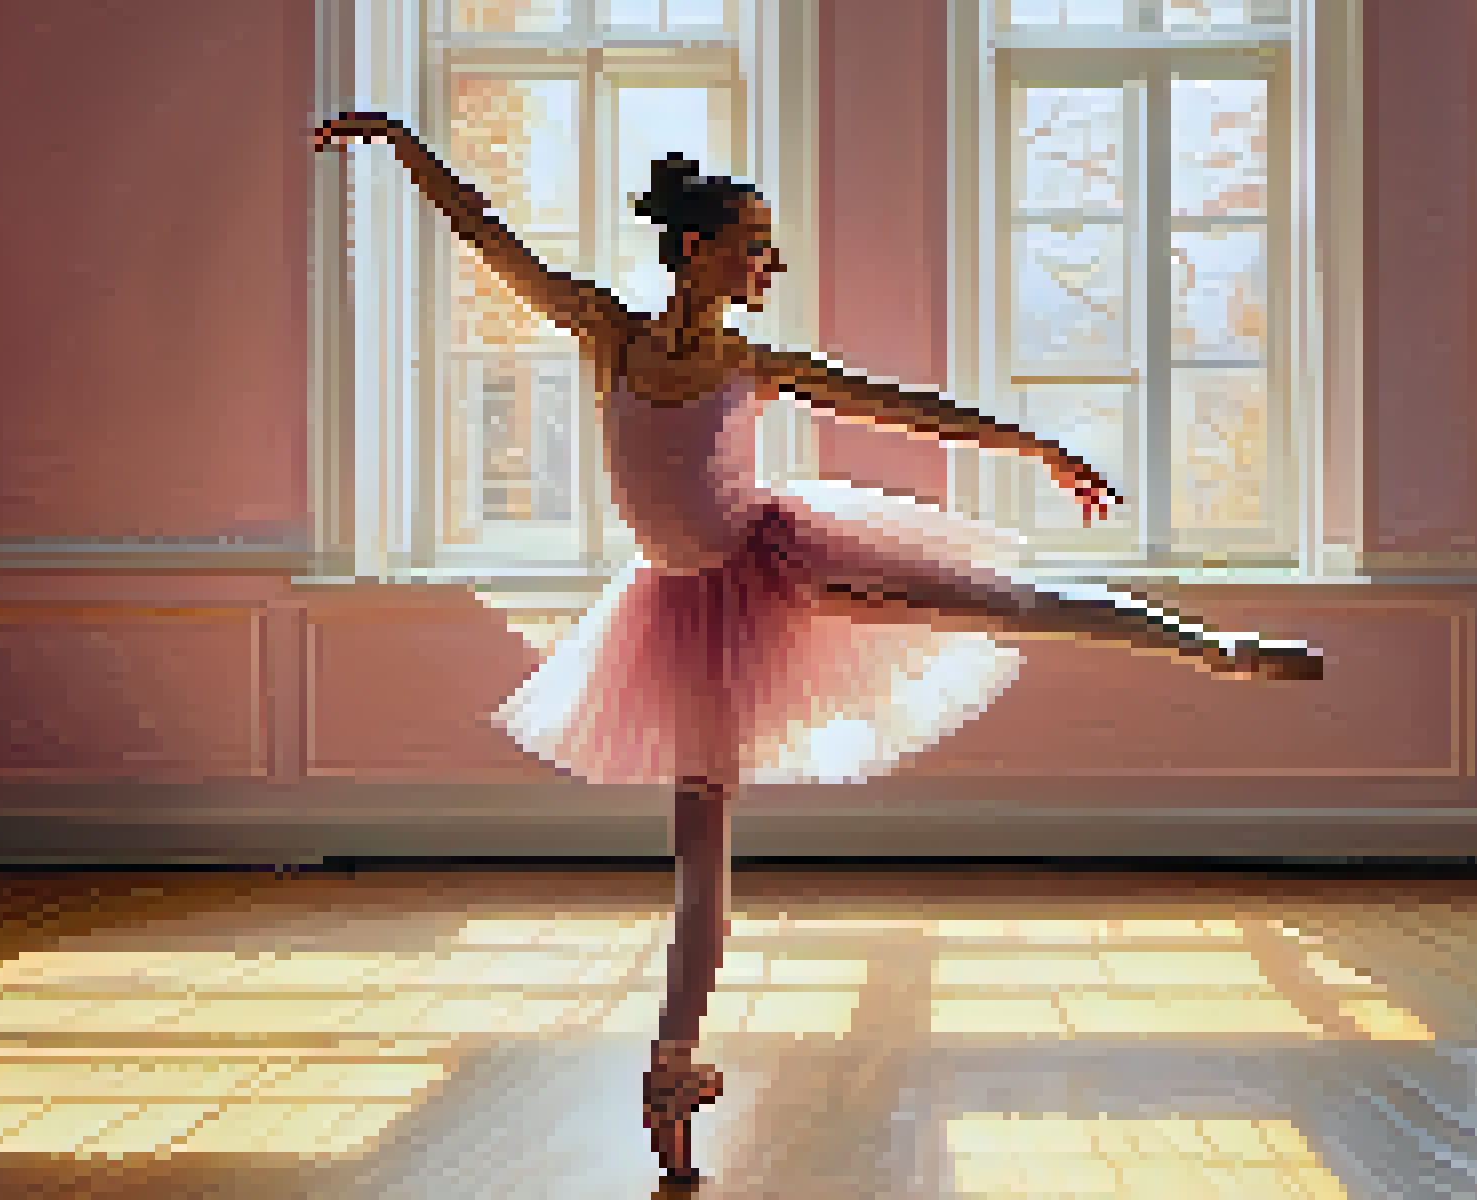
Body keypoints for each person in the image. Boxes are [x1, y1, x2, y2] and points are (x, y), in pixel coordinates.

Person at [314, 111, 1320, 1186]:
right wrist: (397, 140)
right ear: (697, 248)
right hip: (684, 615)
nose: (772, 262)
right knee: (702, 864)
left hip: (785, 564)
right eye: (756, 242)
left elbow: (904, 409)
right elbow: (486, 234)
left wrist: (1034, 444)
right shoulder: (609, 332)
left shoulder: (755, 362)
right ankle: (672, 1073)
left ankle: (1210, 646)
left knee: (1003, 599)